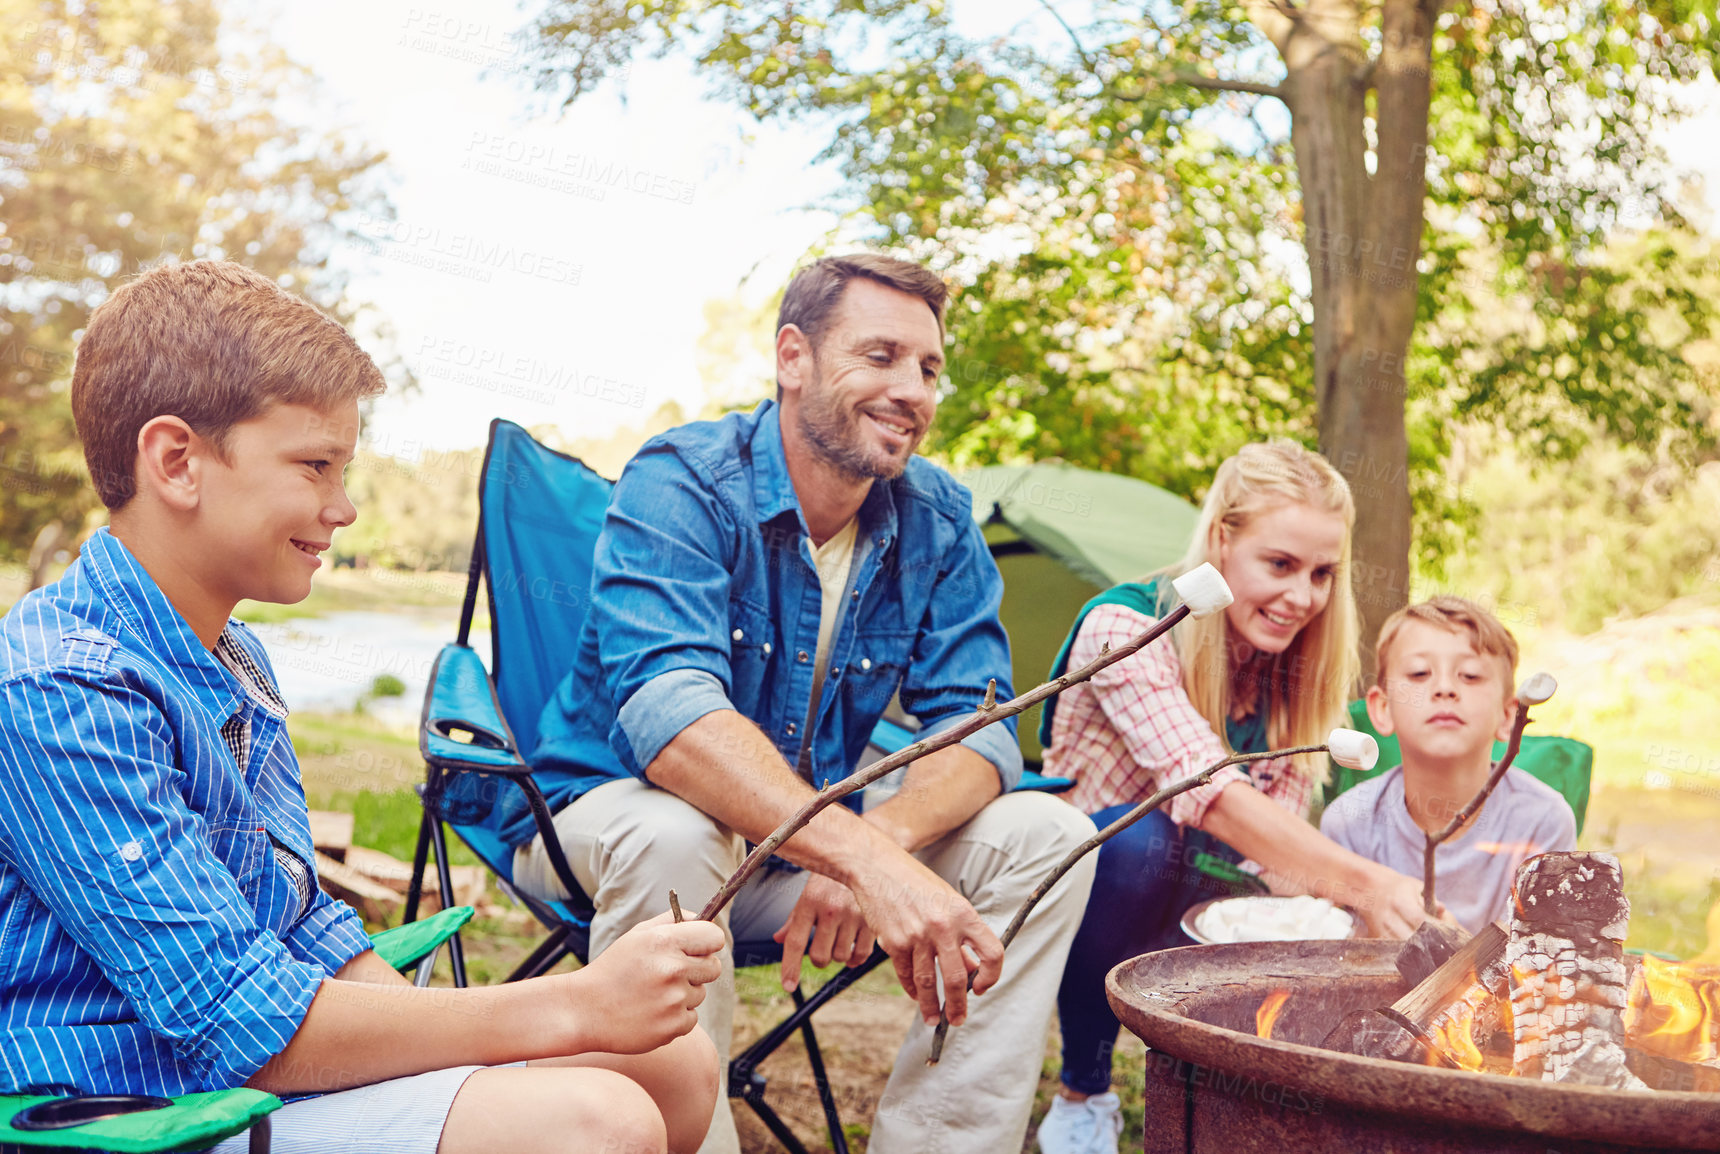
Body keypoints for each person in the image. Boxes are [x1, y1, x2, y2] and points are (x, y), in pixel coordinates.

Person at [0, 261, 725, 1154]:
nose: (342, 508)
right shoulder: (60, 686)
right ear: (177, 461)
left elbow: (301, 920)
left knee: (676, 1065)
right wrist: (569, 1007)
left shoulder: (230, 654)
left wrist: (455, 1043)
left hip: (238, 1072)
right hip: (130, 1109)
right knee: (593, 1124)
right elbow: (234, 1017)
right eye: (315, 466)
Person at [499, 253, 1098, 1154]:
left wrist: (879, 848)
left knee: (1047, 838)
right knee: (677, 834)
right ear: (793, 357)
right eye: (882, 355)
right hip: (600, 828)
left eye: (929, 369)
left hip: (801, 856)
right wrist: (858, 855)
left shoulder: (937, 520)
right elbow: (672, 720)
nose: (912, 390)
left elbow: (978, 729)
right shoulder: (685, 480)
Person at [1034, 440, 1436, 1154]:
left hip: (1196, 894)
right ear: (1222, 540)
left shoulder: (1289, 674)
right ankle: (1083, 1090)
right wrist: (1366, 882)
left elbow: (1275, 849)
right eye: (1278, 565)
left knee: (1297, 910)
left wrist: (1350, 916)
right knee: (1141, 843)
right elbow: (1207, 789)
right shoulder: (1125, 628)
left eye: (1321, 574)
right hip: (1083, 895)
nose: (1302, 598)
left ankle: (1234, 1111)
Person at [1321, 597, 1576, 933]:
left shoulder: (1543, 823)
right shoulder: (1348, 824)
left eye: (1469, 676)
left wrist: (1457, 952)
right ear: (1382, 709)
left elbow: (1540, 960)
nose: (1444, 688)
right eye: (1419, 673)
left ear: (1508, 716)